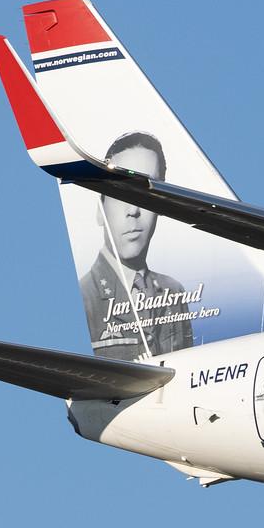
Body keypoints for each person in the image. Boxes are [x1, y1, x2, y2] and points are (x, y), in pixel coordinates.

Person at [81, 131, 195, 358]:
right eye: (120, 194)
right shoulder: (88, 296)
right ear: (99, 209)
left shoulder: (174, 291)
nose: (133, 210)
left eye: (145, 195)